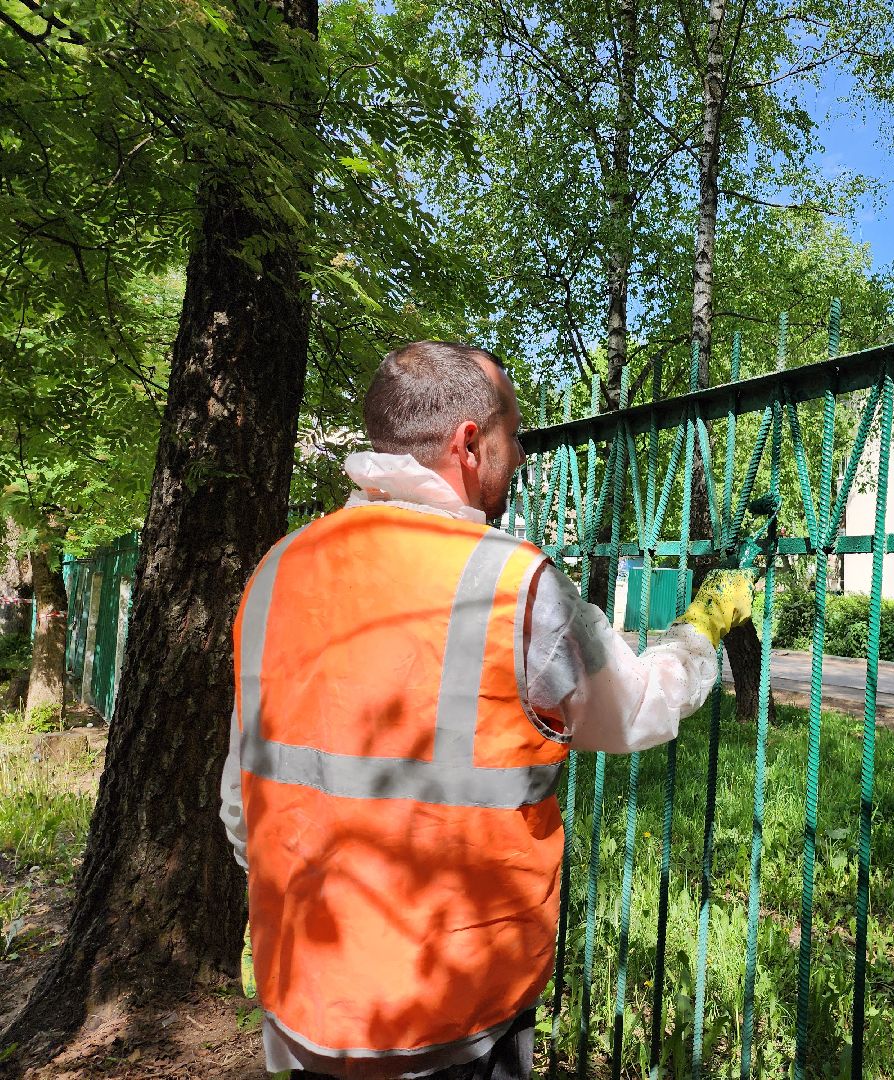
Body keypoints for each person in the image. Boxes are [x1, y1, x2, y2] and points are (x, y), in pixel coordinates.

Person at [219, 341, 755, 1079]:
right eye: (516, 437)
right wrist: (701, 631)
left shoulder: (277, 572)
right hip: (456, 1016)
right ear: (470, 443)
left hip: (307, 1000)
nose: (524, 457)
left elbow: (240, 802)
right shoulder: (511, 582)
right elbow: (634, 711)